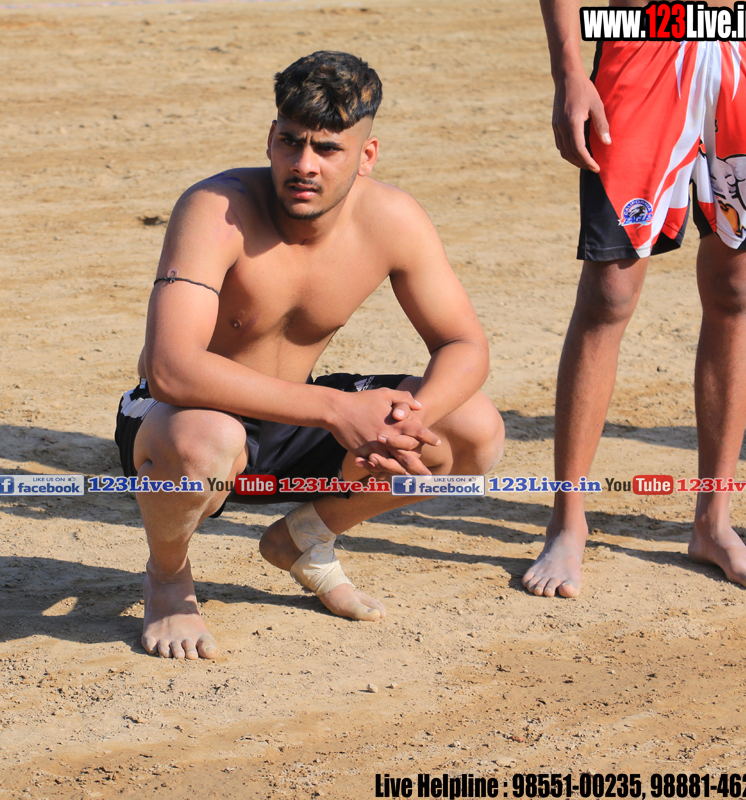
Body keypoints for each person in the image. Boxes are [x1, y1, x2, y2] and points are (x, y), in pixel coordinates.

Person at [113, 51, 505, 659]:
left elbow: (464, 345)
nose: (303, 165)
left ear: (366, 155)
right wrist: (336, 411)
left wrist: (405, 424)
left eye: (327, 149)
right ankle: (167, 577)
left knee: (474, 430)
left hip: (293, 414)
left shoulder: (392, 218)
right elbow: (168, 368)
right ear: (270, 138)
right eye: (291, 143)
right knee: (204, 441)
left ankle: (303, 537)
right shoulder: (216, 207)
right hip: (183, 420)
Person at [526, 0, 746, 597]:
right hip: (647, 39)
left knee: (736, 287)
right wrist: (569, 69)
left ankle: (714, 521)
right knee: (609, 292)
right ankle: (567, 520)